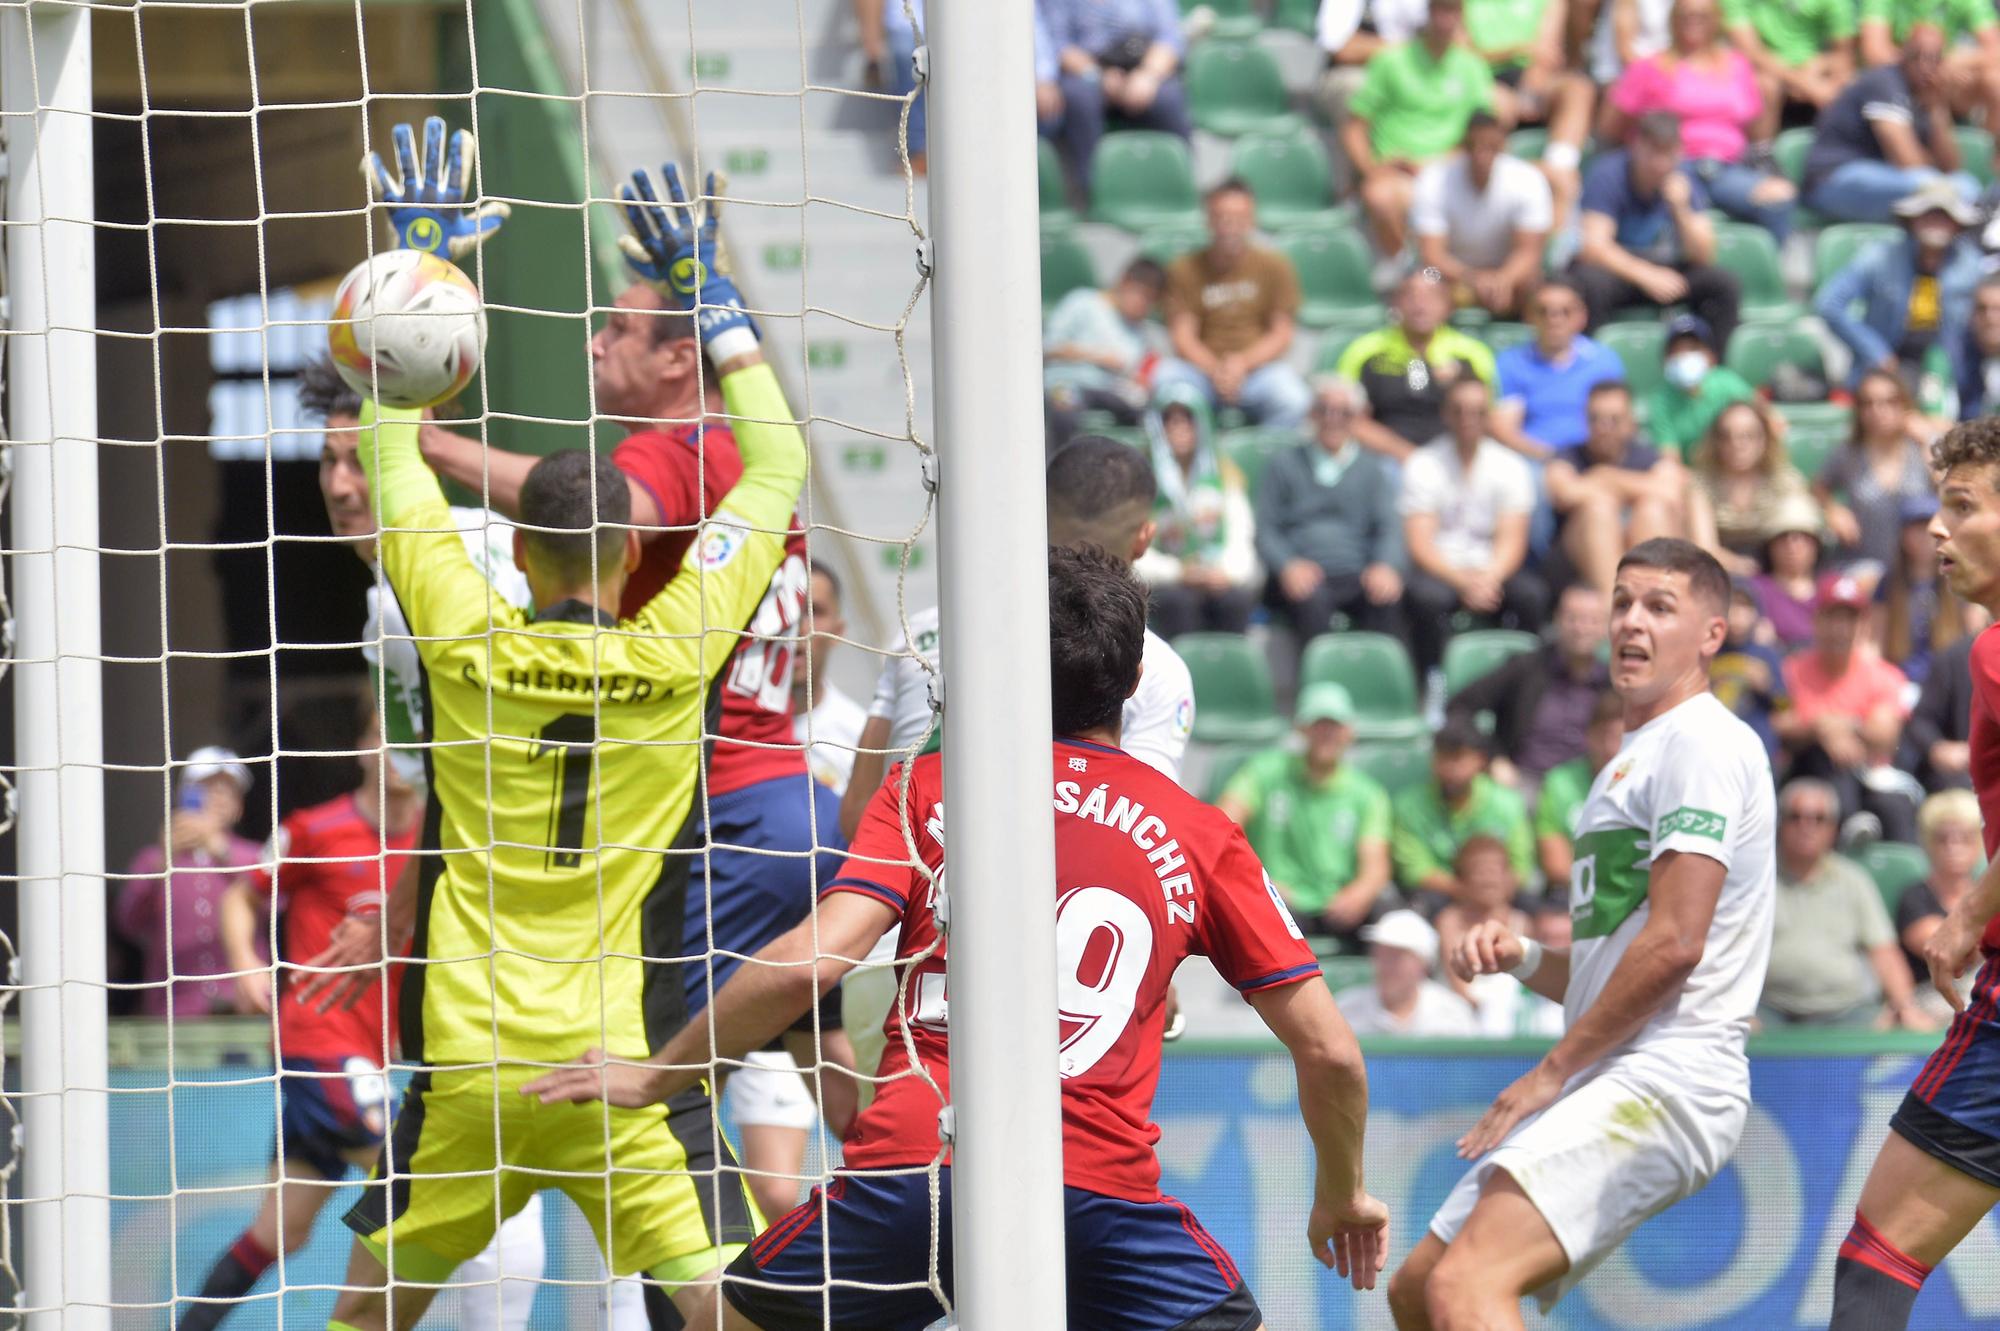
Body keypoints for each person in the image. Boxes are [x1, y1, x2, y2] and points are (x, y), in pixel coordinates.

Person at [524, 544, 1392, 1329]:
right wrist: (1340, 1194)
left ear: (1004, 665)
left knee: (717, 1321)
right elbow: (1332, 1053)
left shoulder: (924, 788)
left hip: (916, 1169)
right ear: (1133, 685)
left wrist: (659, 1073)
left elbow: (810, 962)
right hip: (1094, 1193)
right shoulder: (1201, 833)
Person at [320, 164, 805, 1331]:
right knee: (719, 1306)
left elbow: (395, 469)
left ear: (519, 554)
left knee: (366, 1310)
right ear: (622, 557)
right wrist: (715, 297)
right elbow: (779, 461)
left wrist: (423, 263)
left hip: (468, 1066)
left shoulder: (457, 631)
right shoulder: (677, 650)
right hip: (614, 1069)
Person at [416, 182, 854, 1209]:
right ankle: (948, 1225)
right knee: (828, 1073)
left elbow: (599, 512)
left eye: (616, 329)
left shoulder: (672, 450)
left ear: (674, 358)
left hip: (723, 814)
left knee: (648, 1095)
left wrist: (423, 442)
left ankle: (725, 1298)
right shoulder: (747, 451)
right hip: (795, 806)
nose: (592, 346)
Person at [1389, 538, 1778, 1327]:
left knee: (1466, 1288)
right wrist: (1527, 956)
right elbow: (1617, 966)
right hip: (1618, 1063)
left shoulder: (1702, 742)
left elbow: (1674, 947)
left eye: (1660, 607)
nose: (1632, 622)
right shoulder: (1626, 763)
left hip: (1672, 1073)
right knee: (1419, 1289)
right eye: (1623, 601)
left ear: (1712, 634)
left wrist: (1550, 1070)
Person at [290, 347, 601, 1329]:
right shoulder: (390, 606)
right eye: (329, 462)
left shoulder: (475, 555)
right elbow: (438, 787)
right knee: (570, 1157)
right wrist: (400, 904)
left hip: (581, 895)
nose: (344, 484)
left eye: (360, 458)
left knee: (482, 1144)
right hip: (520, 899)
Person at [1829, 417, 2000, 1330]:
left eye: (1962, 505)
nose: (1937, 526)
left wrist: (1969, 907)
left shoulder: (1995, 647)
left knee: (1876, 1260)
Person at [179, 709, 421, 1331]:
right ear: (363, 749)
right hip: (316, 1038)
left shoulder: (430, 844)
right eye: (383, 739)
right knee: (419, 1174)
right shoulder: (315, 828)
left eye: (410, 743)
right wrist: (245, 962)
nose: (395, 755)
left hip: (369, 1051)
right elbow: (242, 893)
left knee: (278, 1233)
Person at [840, 436, 1200, 846]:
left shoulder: (923, 631)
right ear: (1144, 537)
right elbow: (1141, 831)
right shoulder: (1154, 666)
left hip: (909, 883)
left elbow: (857, 817)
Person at [1219, 683, 1396, 947]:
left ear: (1349, 732)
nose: (1326, 734)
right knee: (1257, 915)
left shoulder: (1368, 794)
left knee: (1396, 921)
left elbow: (1375, 865)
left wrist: (1359, 894)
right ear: (1301, 729)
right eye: (1318, 726)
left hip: (1341, 903)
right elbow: (1222, 824)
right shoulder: (1265, 772)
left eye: (1334, 726)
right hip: (1281, 898)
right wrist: (1260, 878)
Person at [1600, 0, 1796, 238]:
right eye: (1686, 15)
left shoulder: (1737, 65)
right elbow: (1610, 127)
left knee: (1779, 196)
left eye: (1702, 15)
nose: (1693, 22)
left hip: (1726, 168)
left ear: (1716, 20)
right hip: (1672, 167)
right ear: (1673, 19)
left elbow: (1754, 126)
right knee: (1676, 202)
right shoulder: (1650, 67)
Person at [1400, 376, 1549, 674]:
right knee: (1426, 598)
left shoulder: (1511, 466)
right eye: (1459, 410)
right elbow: (1420, 544)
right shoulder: (1423, 463)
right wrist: (1462, 581)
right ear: (1445, 413)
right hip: (1442, 570)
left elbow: (1512, 539)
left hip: (1492, 569)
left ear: (1489, 416)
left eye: (1478, 411)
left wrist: (1487, 578)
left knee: (1531, 596)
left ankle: (1524, 680)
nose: (1468, 419)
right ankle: (1433, 683)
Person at [1761, 777, 1927, 1027]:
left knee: (1888, 1026)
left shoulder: (1853, 879)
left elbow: (1883, 951)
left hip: (1846, 1012)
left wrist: (1905, 1006)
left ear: (1833, 829)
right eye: (1796, 817)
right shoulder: (1758, 879)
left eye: (1818, 819)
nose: (1807, 826)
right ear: (1780, 823)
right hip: (1770, 1011)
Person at [1568, 114, 1742, 349]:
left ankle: (1716, 366)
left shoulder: (1686, 180)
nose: (1660, 164)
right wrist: (1646, 274)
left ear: (1680, 151)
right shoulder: (1608, 174)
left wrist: (1681, 209)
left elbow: (1704, 255)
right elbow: (1594, 247)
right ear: (1637, 145)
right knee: (1588, 282)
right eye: (1653, 153)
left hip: (1666, 270)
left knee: (1722, 282)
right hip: (1621, 271)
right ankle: (1591, 358)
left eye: (1668, 154)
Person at [1255, 378, 1408, 644]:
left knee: (1387, 600)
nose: (1333, 419)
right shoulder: (1283, 464)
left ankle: (1380, 682)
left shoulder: (1372, 469)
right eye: (1324, 409)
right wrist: (1287, 565)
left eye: (1344, 412)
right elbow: (1266, 529)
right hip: (1302, 574)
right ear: (1311, 413)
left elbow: (1389, 527)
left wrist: (1385, 565)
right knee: (1310, 604)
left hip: (1357, 572)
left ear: (1357, 418)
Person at [115, 747, 261, 1020]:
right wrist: (163, 861)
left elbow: (279, 904)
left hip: (244, 1006)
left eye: (228, 790)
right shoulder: (152, 859)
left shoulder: (254, 856)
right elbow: (128, 922)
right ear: (186, 796)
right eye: (208, 787)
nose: (218, 796)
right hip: (175, 1010)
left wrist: (220, 851)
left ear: (239, 806)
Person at [1345, 0, 1500, 258]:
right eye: (1440, 10)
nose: (1445, 20)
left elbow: (1483, 134)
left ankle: (1433, 274)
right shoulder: (1391, 61)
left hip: (1452, 174)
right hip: (1400, 176)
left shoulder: (1472, 67)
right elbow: (1354, 127)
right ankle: (1408, 269)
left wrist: (1438, 163)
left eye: (1452, 11)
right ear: (1428, 13)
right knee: (1379, 196)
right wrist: (1372, 169)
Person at [1156, 178, 1312, 429]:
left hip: (1256, 372)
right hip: (1202, 372)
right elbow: (1183, 335)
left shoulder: (1275, 266)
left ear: (1252, 220)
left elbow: (1281, 333)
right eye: (1222, 217)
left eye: (1239, 218)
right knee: (1165, 381)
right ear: (1208, 219)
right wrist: (1216, 370)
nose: (1230, 226)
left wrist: (1241, 365)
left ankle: (1263, 461)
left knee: (1295, 399)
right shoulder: (1185, 269)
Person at [1777, 570, 1919, 844]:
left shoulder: (1883, 674)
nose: (1839, 629)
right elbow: (1779, 722)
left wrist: (1838, 725)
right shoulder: (1791, 670)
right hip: (1809, 773)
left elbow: (1885, 734)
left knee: (1896, 809)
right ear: (1816, 621)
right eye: (1832, 618)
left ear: (1862, 625)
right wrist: (1819, 729)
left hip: (1870, 775)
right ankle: (1851, 824)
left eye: (1848, 619)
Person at [1815, 180, 1984, 398]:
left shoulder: (1970, 265)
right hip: (1889, 370)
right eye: (1928, 214)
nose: (1936, 223)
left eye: (1944, 216)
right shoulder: (1881, 256)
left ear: (1957, 224)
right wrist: (1876, 352)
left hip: (1952, 372)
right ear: (1911, 219)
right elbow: (1829, 304)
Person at [1802, 26, 1982, 225]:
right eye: (1917, 57)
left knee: (1968, 186)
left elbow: (1951, 167)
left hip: (1889, 177)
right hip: (1834, 179)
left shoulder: (1929, 94)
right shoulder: (1884, 82)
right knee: (1929, 186)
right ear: (1902, 55)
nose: (1926, 66)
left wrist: (1937, 108)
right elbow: (1908, 162)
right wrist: (1933, 166)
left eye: (1934, 59)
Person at [1446, 584, 1610, 789]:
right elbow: (1459, 707)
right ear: (1556, 619)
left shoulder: (1613, 683)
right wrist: (1493, 758)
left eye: (1592, 621)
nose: (1581, 628)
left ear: (1606, 627)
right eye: (1572, 618)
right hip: (1526, 780)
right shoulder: (1527, 667)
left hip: (1587, 785)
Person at [1135, 383, 1259, 638]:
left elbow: (1241, 533)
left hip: (1217, 574)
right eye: (1171, 422)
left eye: (1187, 421)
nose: (1179, 430)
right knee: (1179, 603)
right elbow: (1133, 550)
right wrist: (1178, 572)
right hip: (1169, 580)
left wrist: (1226, 572)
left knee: (1235, 601)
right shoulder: (1141, 481)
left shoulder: (1224, 475)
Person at [1337, 270, 1499, 460]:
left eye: (1431, 296)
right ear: (1395, 302)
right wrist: (1406, 455)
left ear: (1449, 305)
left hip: (1453, 459)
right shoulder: (1364, 351)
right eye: (1410, 295)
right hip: (1383, 458)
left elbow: (1487, 419)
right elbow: (1347, 419)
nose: (1420, 305)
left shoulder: (1472, 354)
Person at [1543, 381, 1685, 593]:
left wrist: (1606, 477)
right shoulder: (1568, 456)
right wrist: (1630, 488)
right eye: (1595, 419)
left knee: (1653, 509)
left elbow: (1673, 491)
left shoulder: (1647, 456)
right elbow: (1564, 493)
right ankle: (1614, 604)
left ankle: (1652, 599)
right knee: (1599, 510)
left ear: (1631, 422)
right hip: (1573, 562)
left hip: (1637, 542)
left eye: (1614, 420)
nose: (1603, 428)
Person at [1411, 112, 1556, 321]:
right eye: (1474, 146)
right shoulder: (1434, 181)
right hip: (1451, 275)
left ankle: (1533, 347)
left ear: (1503, 145)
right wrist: (1472, 278)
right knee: (1424, 280)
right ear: (1463, 146)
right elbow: (1432, 255)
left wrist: (1503, 279)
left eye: (1491, 146)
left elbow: (1529, 253)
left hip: (1508, 276)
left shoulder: (1528, 180)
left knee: (1539, 286)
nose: (1481, 155)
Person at [1037, 0, 1193, 192]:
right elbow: (1058, 43)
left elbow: (1170, 37)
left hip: (1143, 68)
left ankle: (1180, 188)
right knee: (1078, 97)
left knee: (1169, 98)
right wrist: (1096, 74)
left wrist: (1148, 76)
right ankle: (1093, 189)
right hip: (1087, 70)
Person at [1391, 717, 1538, 903]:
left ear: (1480, 760)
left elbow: (1521, 867)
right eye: (1442, 757)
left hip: (1499, 897)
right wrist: (1465, 891)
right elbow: (1414, 870)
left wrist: (1492, 892)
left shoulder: (1507, 803)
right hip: (1439, 897)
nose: (1449, 768)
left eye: (1458, 758)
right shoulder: (1409, 806)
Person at [1492, 277, 1627, 463]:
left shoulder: (1604, 361)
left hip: (1594, 461)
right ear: (1529, 317)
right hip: (1534, 461)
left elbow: (1618, 424)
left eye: (1565, 311)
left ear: (1582, 316)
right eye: (1544, 311)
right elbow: (1505, 429)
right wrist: (1552, 458)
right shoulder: (1512, 362)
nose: (1554, 319)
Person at [1817, 368, 1940, 570]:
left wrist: (1929, 441)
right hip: (1863, 565)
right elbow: (1818, 487)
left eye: (1889, 402)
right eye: (1868, 403)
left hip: (1920, 569)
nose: (1878, 410)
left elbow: (1949, 491)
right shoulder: (1848, 454)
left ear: (1904, 404)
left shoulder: (1921, 448)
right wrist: (1833, 508)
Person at [1043, 256, 1171, 447]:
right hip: (1069, 381)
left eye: (1150, 300)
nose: (1143, 305)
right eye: (1142, 295)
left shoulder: (1139, 332)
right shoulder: (1083, 302)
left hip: (1111, 389)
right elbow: (1047, 348)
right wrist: (1096, 355)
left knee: (1152, 415)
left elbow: (1140, 372)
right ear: (1125, 281)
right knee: (1064, 406)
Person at [1687, 399, 1812, 576]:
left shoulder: (1785, 481)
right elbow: (1704, 547)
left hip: (1775, 569)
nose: (1737, 444)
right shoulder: (1701, 484)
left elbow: (1797, 536)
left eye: (1748, 435)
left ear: (1765, 439)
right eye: (1726, 436)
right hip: (1717, 571)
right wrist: (1740, 566)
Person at [1857, 0, 2000, 144]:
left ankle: (1987, 158)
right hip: (1898, 82)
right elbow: (1875, 53)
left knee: (1995, 79)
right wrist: (1928, 67)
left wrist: (1949, 64)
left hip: (1944, 84)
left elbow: (1995, 50)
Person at [1435, 836, 1539, 1033]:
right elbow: (1458, 981)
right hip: (1460, 1018)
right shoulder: (1449, 921)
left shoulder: (1523, 923)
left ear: (1509, 877)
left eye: (1495, 871)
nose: (1488, 879)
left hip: (1512, 1020)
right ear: (1463, 880)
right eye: (1479, 871)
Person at [1897, 788, 1983, 1015]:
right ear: (1928, 843)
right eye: (1943, 838)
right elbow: (1947, 950)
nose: (1953, 846)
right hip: (1930, 1000)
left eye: (1964, 838)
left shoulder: (1987, 895)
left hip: (1981, 996)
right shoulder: (1915, 896)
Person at [1723, 0, 1855, 145]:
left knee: (1847, 82)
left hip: (1813, 71)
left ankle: (1841, 150)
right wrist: (1804, 84)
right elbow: (1749, 50)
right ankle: (1761, 153)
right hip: (1763, 71)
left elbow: (1843, 53)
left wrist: (1820, 65)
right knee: (1765, 84)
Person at [1533, 688, 1626, 890]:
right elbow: (1556, 865)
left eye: (1620, 738)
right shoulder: (1559, 782)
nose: (1610, 748)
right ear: (1588, 736)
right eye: (1603, 736)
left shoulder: (1650, 784)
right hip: (1574, 893)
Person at [1336, 908, 1481, 1036]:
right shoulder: (1345, 1010)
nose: (1387, 964)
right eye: (1381, 953)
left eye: (1398, 957)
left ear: (1423, 964)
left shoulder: (1453, 1014)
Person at [796, 560, 867, 798]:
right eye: (787, 608)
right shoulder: (723, 727)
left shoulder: (859, 736)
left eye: (813, 611)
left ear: (838, 632)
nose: (798, 628)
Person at [1881, 491, 1969, 684]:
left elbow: (1972, 636)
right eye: (1917, 529)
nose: (1924, 537)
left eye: (1930, 530)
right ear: (1903, 535)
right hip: (1899, 680)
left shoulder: (1960, 578)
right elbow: (1874, 642)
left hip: (1948, 681)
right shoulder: (1888, 583)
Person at [1644, 313, 1755, 461]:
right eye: (1676, 351)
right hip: (1691, 478)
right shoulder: (1661, 400)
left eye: (1692, 349)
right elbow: (1670, 458)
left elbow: (1769, 420)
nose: (1684, 356)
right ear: (1665, 361)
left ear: (1711, 357)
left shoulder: (1728, 383)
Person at [1713, 577, 1791, 753]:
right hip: (1715, 742)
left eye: (1744, 607)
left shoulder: (1766, 653)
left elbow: (1785, 706)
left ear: (1756, 613)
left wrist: (1766, 685)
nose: (1737, 614)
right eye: (1731, 606)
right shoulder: (1709, 652)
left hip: (1756, 743)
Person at [1748, 491, 1827, 651]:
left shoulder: (1831, 590)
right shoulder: (1755, 590)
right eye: (1783, 537)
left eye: (1802, 537)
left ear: (1817, 544)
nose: (1792, 545)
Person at [1955, 274, 2000, 421]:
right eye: (1982, 308)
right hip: (1963, 439)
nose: (1990, 318)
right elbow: (1932, 418)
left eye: (1998, 309)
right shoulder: (1950, 353)